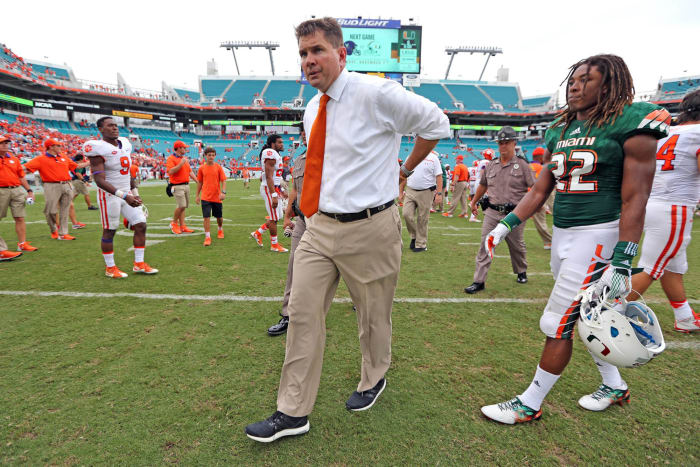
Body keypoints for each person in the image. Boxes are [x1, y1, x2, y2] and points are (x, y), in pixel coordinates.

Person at [245, 17, 450, 443]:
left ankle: (373, 378)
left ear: (340, 53)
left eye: (317, 50)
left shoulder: (376, 92)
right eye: (302, 54)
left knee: (373, 317)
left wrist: (406, 169)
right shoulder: (311, 107)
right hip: (319, 228)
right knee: (302, 315)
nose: (308, 61)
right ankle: (292, 411)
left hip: (370, 227)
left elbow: (437, 124)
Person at [479, 54, 669, 424]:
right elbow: (541, 189)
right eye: (573, 79)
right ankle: (613, 386)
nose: (575, 85)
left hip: (598, 234)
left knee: (557, 323)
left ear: (610, 84)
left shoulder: (631, 122)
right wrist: (506, 224)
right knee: (586, 315)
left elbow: (636, 197)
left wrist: (622, 260)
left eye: (587, 79)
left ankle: (529, 404)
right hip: (565, 234)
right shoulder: (560, 128)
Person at [627, 88, 700, 333]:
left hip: (652, 203)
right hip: (674, 207)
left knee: (671, 265)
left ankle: (685, 316)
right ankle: (606, 314)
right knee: (651, 268)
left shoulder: (667, 132)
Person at [84, 116, 158, 278]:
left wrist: (135, 194)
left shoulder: (124, 144)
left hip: (127, 194)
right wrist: (124, 196)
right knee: (110, 231)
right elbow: (99, 180)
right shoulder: (97, 148)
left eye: (116, 125)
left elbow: (127, 174)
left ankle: (139, 264)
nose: (115, 128)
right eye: (110, 126)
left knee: (141, 224)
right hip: (109, 196)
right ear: (101, 129)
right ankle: (110, 267)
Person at [465, 126, 535, 294]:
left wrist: (528, 209)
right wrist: (473, 202)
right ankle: (479, 281)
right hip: (492, 212)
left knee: (516, 245)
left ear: (514, 143)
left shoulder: (523, 165)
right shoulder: (491, 165)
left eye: (506, 142)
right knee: (485, 244)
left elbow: (534, 188)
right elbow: (483, 185)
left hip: (515, 214)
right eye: (500, 143)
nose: (503, 146)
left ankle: (521, 270)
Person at [268, 128, 307, 336]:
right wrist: (287, 214)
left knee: (346, 264)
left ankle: (360, 301)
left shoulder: (335, 155)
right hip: (303, 220)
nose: (303, 134)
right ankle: (288, 314)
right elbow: (295, 188)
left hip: (330, 222)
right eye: (302, 131)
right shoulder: (300, 159)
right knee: (294, 264)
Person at [23, 139, 79, 240]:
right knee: (50, 211)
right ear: (50, 147)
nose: (60, 147)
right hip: (51, 185)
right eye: (58, 145)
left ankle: (63, 233)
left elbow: (76, 166)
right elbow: (25, 169)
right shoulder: (40, 159)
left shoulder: (63, 157)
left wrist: (91, 162)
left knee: (65, 210)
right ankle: (53, 229)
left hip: (67, 184)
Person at [249, 134, 288, 252]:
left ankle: (258, 233)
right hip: (269, 188)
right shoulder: (270, 153)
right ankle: (274, 245)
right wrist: (274, 195)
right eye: (279, 142)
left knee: (278, 216)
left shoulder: (275, 154)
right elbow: (269, 176)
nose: (282, 144)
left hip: (274, 187)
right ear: (273, 143)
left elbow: (276, 176)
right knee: (273, 217)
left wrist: (280, 190)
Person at [399, 149, 443, 252]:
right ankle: (414, 236)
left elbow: (439, 176)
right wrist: (401, 191)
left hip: (426, 191)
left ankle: (421, 244)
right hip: (410, 190)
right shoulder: (410, 156)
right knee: (406, 214)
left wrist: (439, 194)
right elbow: (404, 174)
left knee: (422, 218)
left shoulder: (433, 158)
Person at [0, 134, 35, 259]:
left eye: (6, 143)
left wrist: (29, 191)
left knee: (20, 217)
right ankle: (1, 251)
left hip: (16, 190)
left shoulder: (14, 159)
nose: (5, 145)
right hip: (1, 191)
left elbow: (21, 176)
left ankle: (22, 243)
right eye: (2, 143)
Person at [195, 147, 226, 246]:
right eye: (209, 155)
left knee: (219, 217)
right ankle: (207, 237)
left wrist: (223, 192)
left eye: (213, 155)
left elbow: (223, 180)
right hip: (205, 197)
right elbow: (199, 182)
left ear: (215, 156)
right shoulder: (201, 168)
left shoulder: (218, 167)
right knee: (206, 217)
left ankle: (220, 229)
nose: (211, 157)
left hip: (217, 197)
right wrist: (197, 195)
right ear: (205, 156)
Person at [166, 140, 197, 235]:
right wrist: (180, 163)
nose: (186, 149)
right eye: (184, 147)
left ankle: (182, 226)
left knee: (183, 207)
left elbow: (190, 171)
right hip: (177, 185)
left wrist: (197, 181)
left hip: (186, 185)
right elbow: (170, 171)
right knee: (181, 206)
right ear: (179, 148)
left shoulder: (184, 158)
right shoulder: (171, 158)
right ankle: (174, 223)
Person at [529, 147, 552, 249]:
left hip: (527, 198)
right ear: (540, 157)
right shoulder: (541, 168)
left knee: (539, 221)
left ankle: (550, 241)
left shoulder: (527, 166)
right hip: (537, 197)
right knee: (541, 221)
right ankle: (549, 242)